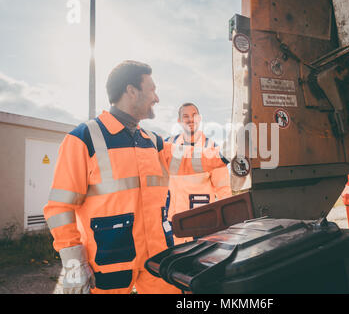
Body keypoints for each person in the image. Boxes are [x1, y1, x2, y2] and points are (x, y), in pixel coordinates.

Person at [43, 61, 228, 294]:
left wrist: (226, 155)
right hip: (109, 261)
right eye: (152, 89)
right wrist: (73, 263)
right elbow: (59, 207)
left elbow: (190, 158)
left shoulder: (152, 141)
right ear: (132, 91)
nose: (157, 98)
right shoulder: (83, 139)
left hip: (157, 256)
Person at [163, 103, 232, 246]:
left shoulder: (212, 148)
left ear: (200, 118)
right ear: (179, 121)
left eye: (194, 115)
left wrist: (228, 221)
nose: (190, 120)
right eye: (185, 116)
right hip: (174, 220)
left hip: (203, 220)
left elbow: (223, 189)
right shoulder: (168, 144)